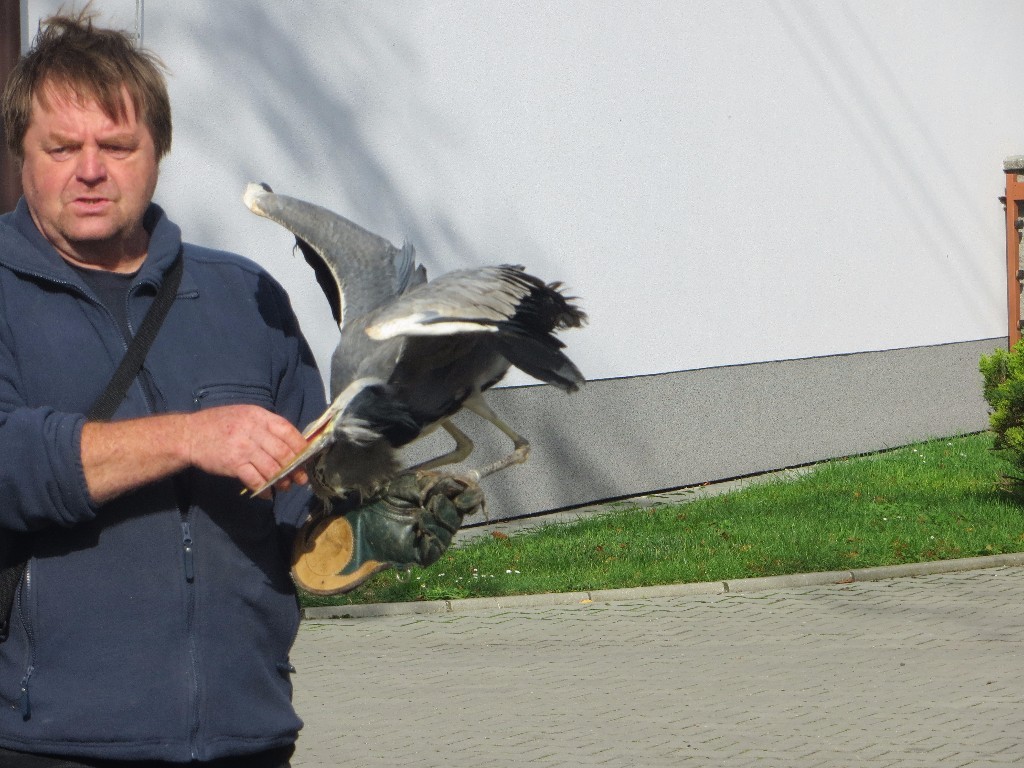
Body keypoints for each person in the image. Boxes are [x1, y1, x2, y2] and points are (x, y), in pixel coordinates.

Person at [0, 10, 326, 767]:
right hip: (52, 743)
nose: (90, 170)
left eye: (117, 146)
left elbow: (304, 496)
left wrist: (370, 525)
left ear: (158, 152)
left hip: (247, 735)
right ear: (21, 156)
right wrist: (187, 437)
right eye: (62, 148)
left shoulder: (244, 295)